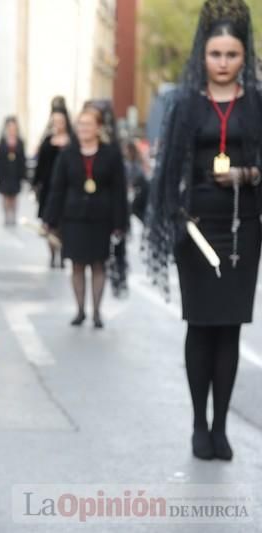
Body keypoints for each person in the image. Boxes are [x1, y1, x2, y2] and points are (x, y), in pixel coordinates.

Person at [144, 0, 261, 461]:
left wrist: (247, 175)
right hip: (195, 227)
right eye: (216, 54)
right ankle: (197, 423)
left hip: (243, 227)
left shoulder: (256, 104)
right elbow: (168, 167)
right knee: (201, 325)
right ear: (203, 55)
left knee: (230, 328)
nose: (224, 63)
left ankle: (220, 426)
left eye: (232, 55)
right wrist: (174, 213)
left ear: (242, 55)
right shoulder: (186, 104)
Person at [43, 105, 128, 328]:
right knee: (78, 265)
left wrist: (120, 223)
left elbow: (119, 190)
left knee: (99, 264)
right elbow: (57, 188)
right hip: (73, 219)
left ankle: (97, 312)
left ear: (98, 128)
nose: (83, 128)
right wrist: (50, 219)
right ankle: (80, 310)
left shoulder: (111, 154)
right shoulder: (67, 154)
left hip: (102, 218)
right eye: (80, 124)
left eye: (88, 124)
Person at [33, 96, 74, 268]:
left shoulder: (73, 142)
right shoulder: (46, 142)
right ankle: (52, 255)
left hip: (68, 189)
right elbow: (40, 167)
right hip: (49, 189)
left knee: (64, 224)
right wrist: (35, 184)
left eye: (60, 121)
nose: (57, 124)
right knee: (49, 224)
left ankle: (63, 255)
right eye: (54, 121)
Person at [0, 116, 26, 226]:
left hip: (15, 173)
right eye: (10, 127)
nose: (12, 129)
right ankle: (6, 215)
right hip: (5, 173)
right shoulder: (3, 141)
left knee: (14, 196)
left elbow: (23, 159)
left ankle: (13, 215)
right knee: (5, 195)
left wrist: (23, 174)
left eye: (14, 127)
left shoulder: (20, 141)